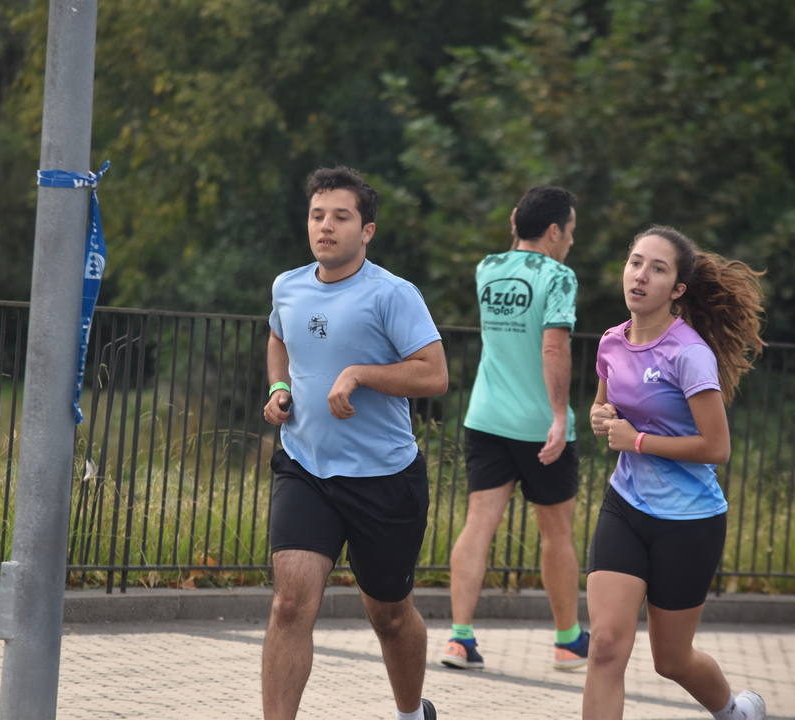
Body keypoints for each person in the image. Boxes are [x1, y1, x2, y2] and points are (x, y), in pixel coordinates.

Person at [261, 166, 449, 720]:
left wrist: (361, 374)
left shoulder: (392, 294)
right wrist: (277, 387)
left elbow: (434, 374)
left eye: (341, 217)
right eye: (317, 215)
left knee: (389, 615)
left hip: (382, 479)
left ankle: (411, 713)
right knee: (290, 604)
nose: (326, 226)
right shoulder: (287, 285)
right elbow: (278, 337)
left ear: (367, 230)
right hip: (305, 468)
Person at [584, 225, 767, 720]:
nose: (640, 275)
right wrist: (600, 418)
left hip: (689, 521)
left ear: (677, 289)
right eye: (635, 262)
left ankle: (734, 712)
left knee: (671, 660)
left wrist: (638, 441)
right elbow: (602, 407)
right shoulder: (611, 342)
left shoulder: (689, 354)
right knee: (605, 644)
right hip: (625, 507)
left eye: (657, 269)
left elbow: (717, 447)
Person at [442, 185, 590, 672]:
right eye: (570, 231)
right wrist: (558, 416)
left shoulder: (487, 268)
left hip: (486, 418)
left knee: (478, 524)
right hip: (540, 425)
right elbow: (553, 347)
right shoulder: (560, 277)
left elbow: (515, 253)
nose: (571, 240)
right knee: (556, 533)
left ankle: (460, 639)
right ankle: (567, 642)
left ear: (515, 223)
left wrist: (517, 226)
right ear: (554, 231)